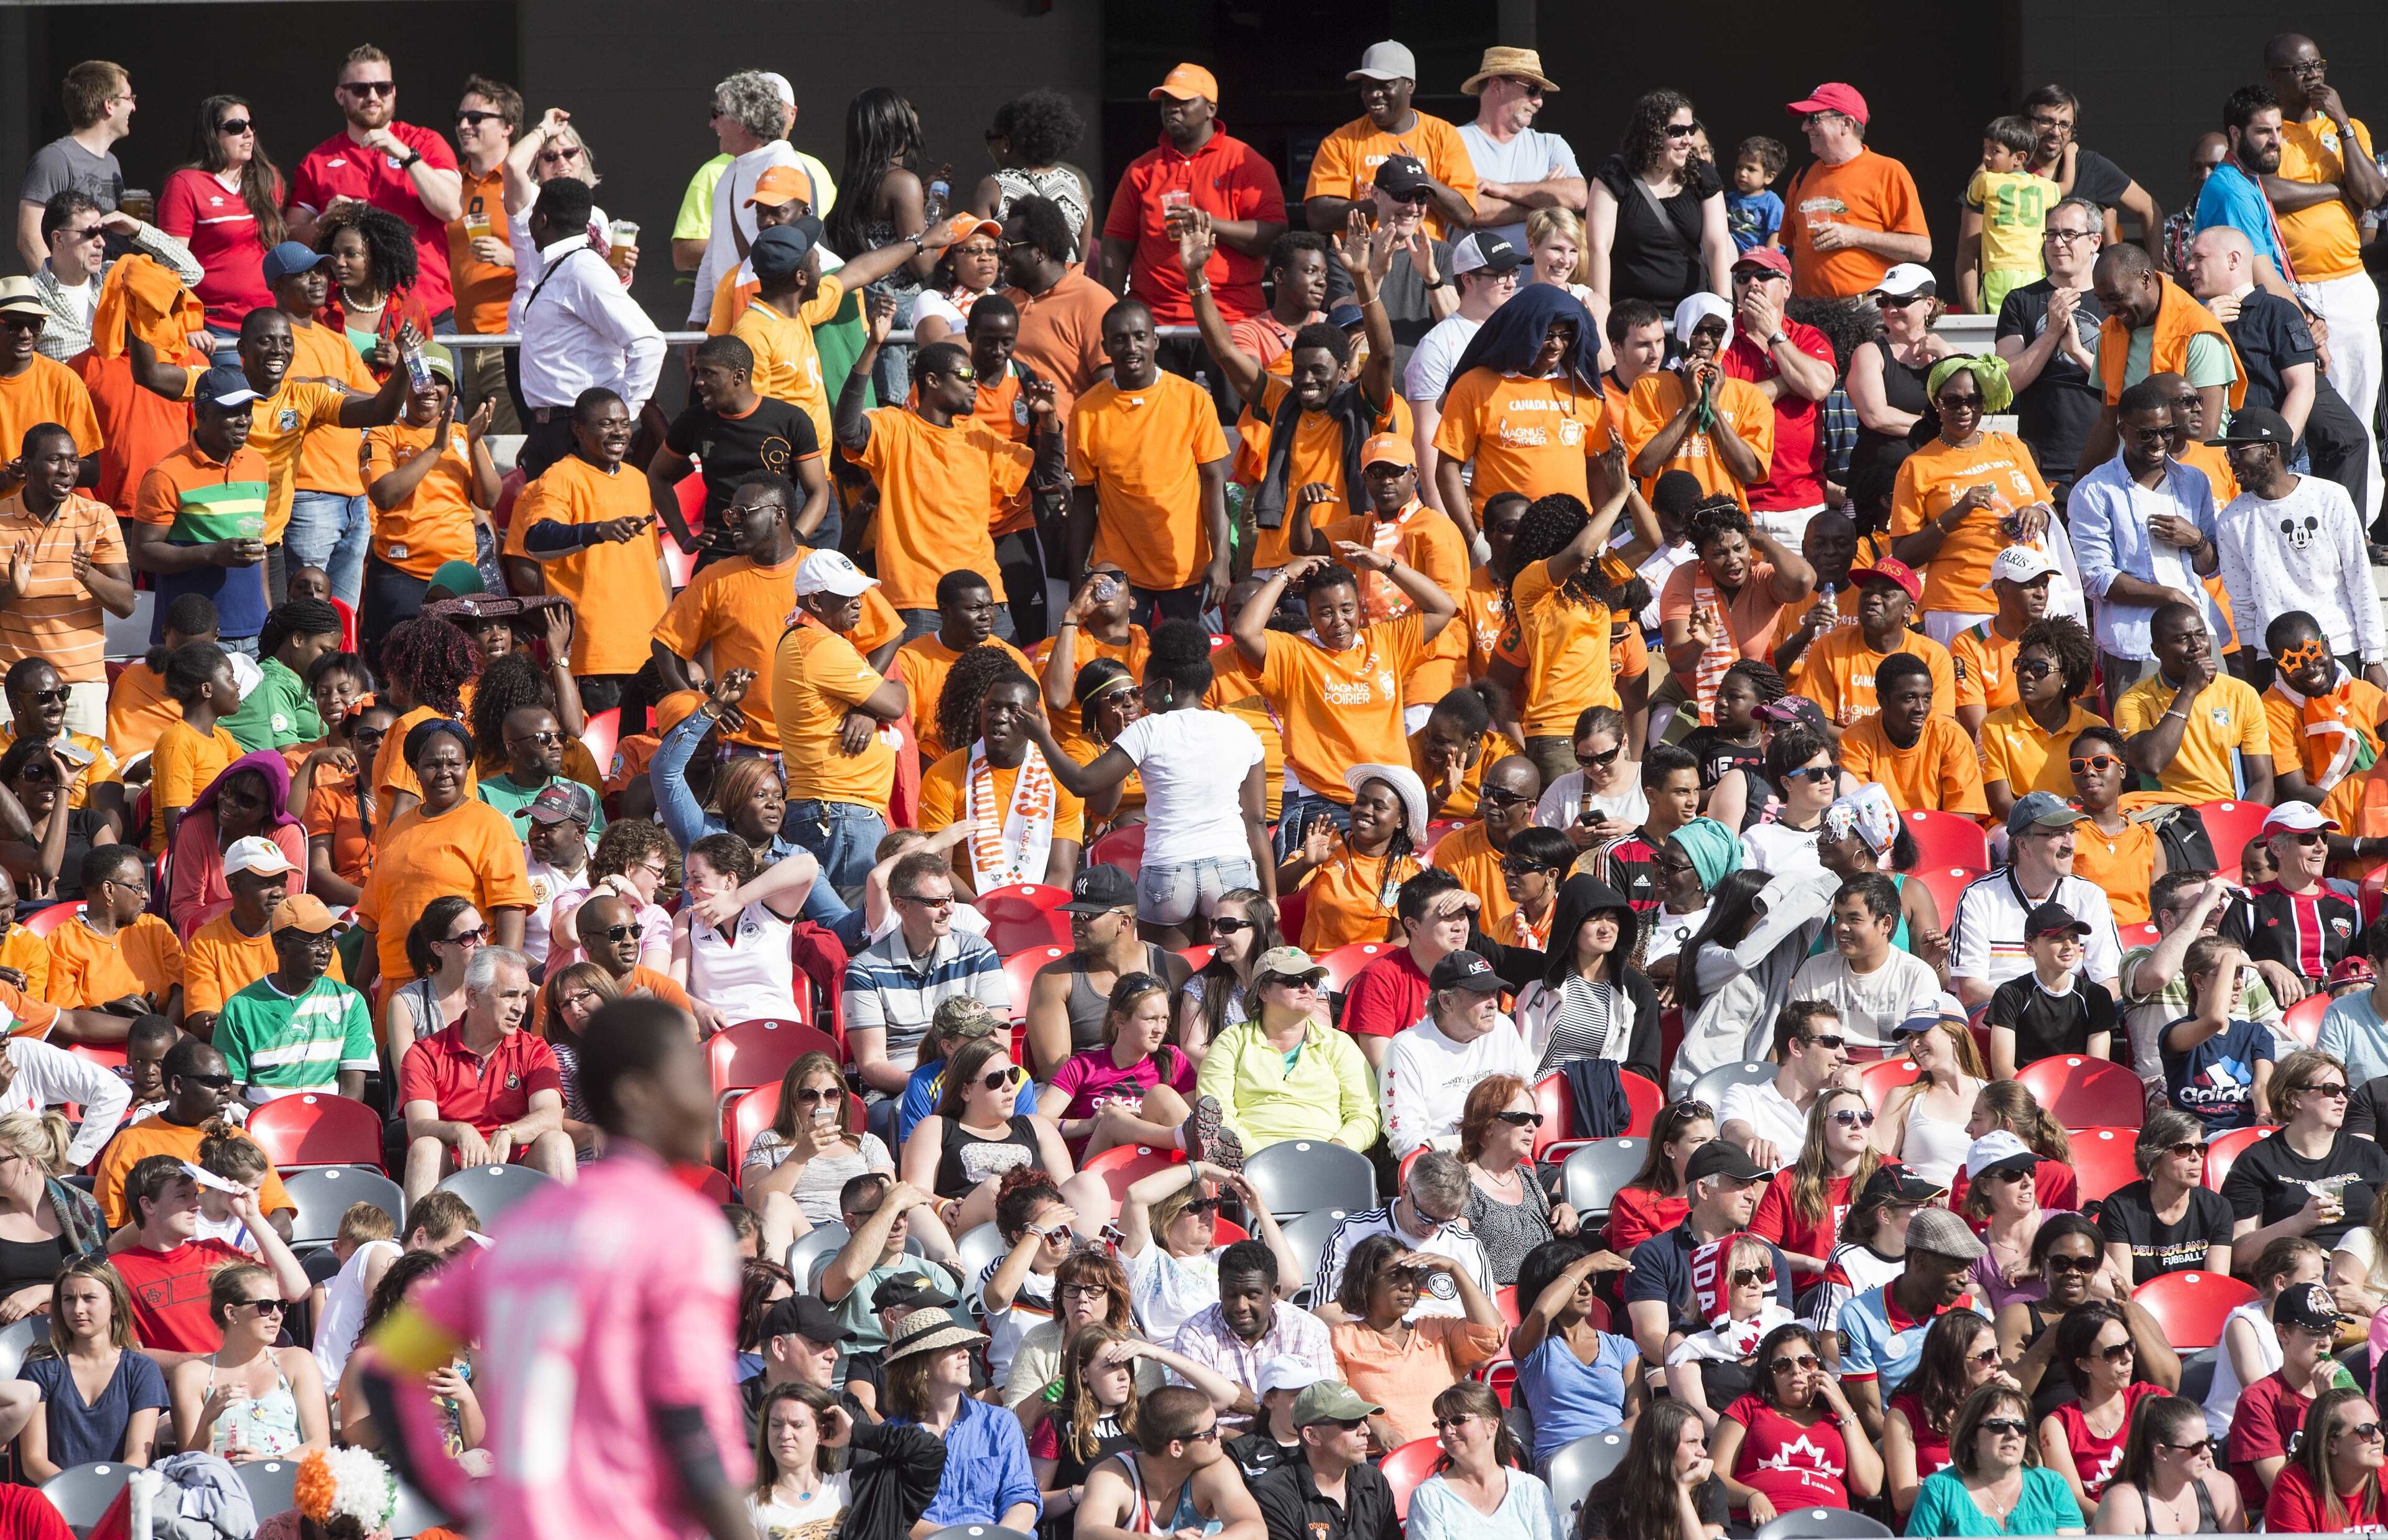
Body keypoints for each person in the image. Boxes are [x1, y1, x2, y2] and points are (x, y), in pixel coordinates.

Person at [2261, 35, 2386, 527]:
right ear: (2274, 76)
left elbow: (2373, 192)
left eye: (2317, 65)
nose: (2312, 76)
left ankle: (2358, 522)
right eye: (2298, 69)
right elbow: (2268, 189)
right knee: (2308, 409)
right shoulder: (2270, 131)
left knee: (2357, 411)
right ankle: (2310, 518)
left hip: (2349, 285)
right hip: (2297, 289)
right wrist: (2336, 191)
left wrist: (2343, 125)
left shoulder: (2347, 128)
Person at [1097, 64, 1287, 333]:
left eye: (1183, 101)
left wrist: (1206, 223)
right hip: (1153, 322)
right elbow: (1115, 246)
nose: (1172, 108)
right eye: (1167, 101)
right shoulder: (1142, 169)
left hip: (1232, 319)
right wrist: (1113, 313)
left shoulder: (1246, 163)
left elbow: (1273, 237)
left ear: (1211, 109)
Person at [284, 45, 461, 321]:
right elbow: (291, 238)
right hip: (347, 316)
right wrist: (324, 222)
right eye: (361, 89)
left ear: (394, 91)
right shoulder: (317, 161)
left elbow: (450, 209)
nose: (373, 97)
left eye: (382, 87)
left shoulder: (425, 142)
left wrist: (406, 156)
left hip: (425, 309)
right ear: (340, 95)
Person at [2211, 408, 2384, 686]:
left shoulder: (2331, 498)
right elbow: (2243, 608)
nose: (2231, 462)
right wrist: (2253, 681)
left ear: (2270, 450)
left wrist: (2374, 659)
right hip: (2274, 661)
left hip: (2337, 652)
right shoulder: (2231, 521)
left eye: (2238, 451)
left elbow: (2360, 581)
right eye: (2228, 452)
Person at [396, 945, 574, 1204]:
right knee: (426, 1147)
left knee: (556, 1141)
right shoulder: (425, 1053)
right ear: (473, 997)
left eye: (524, 996)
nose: (521, 1008)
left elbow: (550, 1117)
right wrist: (460, 1131)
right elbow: (418, 1125)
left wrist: (509, 1133)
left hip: (519, 1174)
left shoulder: (535, 1050)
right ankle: (418, 1242)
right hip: (453, 1179)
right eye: (509, 996)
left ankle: (571, 1240)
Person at [109, 1153, 307, 1368]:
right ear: (148, 1205)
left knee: (300, 1361)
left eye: (195, 1195)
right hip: (174, 1395)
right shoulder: (116, 1271)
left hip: (240, 1386)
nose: (196, 1206)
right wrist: (205, 1365)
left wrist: (251, 1217)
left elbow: (296, 1290)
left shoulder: (217, 1252)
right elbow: (125, 1354)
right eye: (182, 1197)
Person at [1949, 793, 2123, 1008]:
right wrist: (2037, 1009)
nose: (2070, 844)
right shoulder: (1980, 896)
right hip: (2002, 1016)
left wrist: (2066, 1010)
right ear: (2023, 845)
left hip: (2072, 1015)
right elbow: (1971, 990)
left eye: (2072, 831)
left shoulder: (2090, 895)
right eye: (2058, 834)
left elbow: (2111, 981)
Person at [2223, 1048, 2388, 1271]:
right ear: (2294, 1098)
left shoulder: (2368, 1154)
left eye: (2345, 1091)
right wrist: (2300, 1221)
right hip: (2298, 1279)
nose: (2342, 1099)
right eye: (2330, 1090)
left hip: (2368, 1274)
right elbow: (2240, 1255)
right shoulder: (2258, 1161)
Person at [1835, 1208, 1992, 1440]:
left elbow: (1985, 1392)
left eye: (1968, 1267)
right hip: (1896, 1442)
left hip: (1964, 1442)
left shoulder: (1969, 1309)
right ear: (1919, 1260)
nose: (1965, 1278)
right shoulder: (1858, 1315)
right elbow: (1869, 1412)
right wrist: (1909, 1456)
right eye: (1956, 1266)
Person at [1657, 500, 1813, 729]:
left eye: (1739, 548)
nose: (1732, 559)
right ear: (1703, 559)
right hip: (1688, 703)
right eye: (1720, 553)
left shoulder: (1762, 576)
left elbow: (1802, 582)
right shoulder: (1685, 578)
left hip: (1751, 706)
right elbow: (1680, 662)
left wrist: (1765, 541)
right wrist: (1700, 644)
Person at [1997, 197, 2109, 512]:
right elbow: (2007, 382)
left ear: (2094, 242)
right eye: (2051, 234)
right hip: (2042, 460)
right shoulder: (2021, 301)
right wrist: (2050, 333)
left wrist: (2076, 351)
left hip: (2109, 455)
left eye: (2069, 235)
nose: (2058, 243)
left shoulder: (2114, 299)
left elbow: (2130, 383)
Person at [1710, 1321, 1881, 1522]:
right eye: (1783, 1365)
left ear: (1819, 1367)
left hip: (1831, 1529)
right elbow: (1714, 1478)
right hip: (1759, 1526)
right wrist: (1751, 1496)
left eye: (1806, 1362)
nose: (1796, 1370)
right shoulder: (1749, 1407)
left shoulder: (1838, 1418)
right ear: (1768, 1374)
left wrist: (1844, 1408)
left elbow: (1870, 1484)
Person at [14, 1256, 165, 1482]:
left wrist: (104, 1494)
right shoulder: (40, 1367)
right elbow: (34, 1461)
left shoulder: (142, 1370)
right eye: (68, 1299)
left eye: (89, 1298)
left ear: (115, 1305)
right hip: (56, 1497)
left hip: (120, 1494)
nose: (78, 1309)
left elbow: (138, 1457)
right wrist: (79, 1493)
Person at [2113, 600, 2274, 806]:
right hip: (2168, 815)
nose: (2197, 646)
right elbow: (2151, 763)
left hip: (2226, 812)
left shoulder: (2242, 694)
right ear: (2157, 650)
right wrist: (2189, 691)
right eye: (2183, 639)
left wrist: (2246, 824)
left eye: (2201, 635)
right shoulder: (2134, 701)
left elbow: (2262, 781)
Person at [1777, 84, 1930, 300]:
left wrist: (1855, 235)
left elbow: (1921, 249)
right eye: (1805, 120)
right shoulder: (1802, 177)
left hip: (1865, 310)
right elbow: (1797, 250)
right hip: (1810, 315)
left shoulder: (1888, 172)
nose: (1805, 127)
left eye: (1813, 119)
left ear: (1846, 124)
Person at [165, 1260, 328, 1462]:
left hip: (289, 1483)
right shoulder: (193, 1375)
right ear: (232, 1313)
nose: (277, 1316)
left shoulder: (297, 1361)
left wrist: (269, 1463)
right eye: (266, 1306)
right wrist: (208, 1418)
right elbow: (191, 1461)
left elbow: (320, 1445)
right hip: (223, 1487)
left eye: (281, 1305)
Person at [1586, 90, 1730, 315]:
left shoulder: (1703, 175)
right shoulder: (1615, 174)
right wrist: (1603, 312)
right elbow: (1599, 248)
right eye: (1677, 131)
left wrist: (1724, 307)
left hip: (1691, 315)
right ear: (1651, 134)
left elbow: (1716, 246)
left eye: (1690, 130)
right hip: (1631, 318)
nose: (1688, 140)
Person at [1621, 297, 1774, 510]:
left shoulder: (1749, 395)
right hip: (1667, 526)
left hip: (1725, 526)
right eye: (1696, 330)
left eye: (1716, 331)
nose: (1705, 340)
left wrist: (1713, 406)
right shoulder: (1648, 387)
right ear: (1680, 334)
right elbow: (1645, 465)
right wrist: (1691, 406)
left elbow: (1749, 472)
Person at [1509, 874, 1661, 1080]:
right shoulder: (1542, 972)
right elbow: (1482, 950)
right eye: (1595, 919)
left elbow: (1645, 1070)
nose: (1606, 928)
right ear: (1572, 924)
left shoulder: (1637, 990)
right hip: (1535, 1098)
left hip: (1598, 1104)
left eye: (1613, 917)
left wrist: (1597, 1090)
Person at [2222, 1278, 2353, 1513]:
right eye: (2314, 1333)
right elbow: (2283, 1489)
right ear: (2283, 1334)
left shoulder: (2345, 1390)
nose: (2325, 1342)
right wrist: (2326, 1411)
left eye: (2332, 1332)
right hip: (2279, 1520)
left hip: (2341, 1511)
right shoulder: (2259, 1400)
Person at [1907, 1381, 2089, 1536]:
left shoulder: (2052, 1486)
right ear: (1971, 1437)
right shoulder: (1940, 1490)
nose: (2012, 1434)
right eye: (1998, 1426)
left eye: (2020, 1426)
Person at [1982, 616, 2109, 823]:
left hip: (2083, 823)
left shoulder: (2094, 728)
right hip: (2018, 828)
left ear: (2065, 677)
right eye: (2022, 665)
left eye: (2039, 669)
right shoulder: (1995, 726)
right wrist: (2056, 811)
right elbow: (2003, 805)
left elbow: (2110, 799)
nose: (2026, 675)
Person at [15, 60, 134, 272]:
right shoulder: (55, 159)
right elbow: (29, 237)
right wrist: (59, 294)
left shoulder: (112, 162)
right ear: (109, 105)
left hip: (109, 290)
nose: (133, 107)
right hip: (74, 294)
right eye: (128, 98)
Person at [1248, 1379, 1403, 1540]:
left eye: (1365, 1419)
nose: (1366, 1430)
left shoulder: (1373, 1480)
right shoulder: (1273, 1496)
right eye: (1351, 1422)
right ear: (1312, 1435)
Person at [2098, 1111, 2234, 1287]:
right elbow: (2124, 1289)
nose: (2196, 1157)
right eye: (2183, 1149)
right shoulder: (2120, 1208)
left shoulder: (2218, 1208)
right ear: (2154, 1157)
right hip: (2141, 1307)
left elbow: (2216, 1285)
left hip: (2199, 1304)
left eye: (2200, 1148)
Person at [2090, 1391, 2244, 1534]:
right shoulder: (2123, 1504)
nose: (2208, 1454)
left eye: (2208, 1442)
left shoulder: (2222, 1487)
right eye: (2196, 1447)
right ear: (2161, 1452)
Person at [1575, 1397, 1728, 1540]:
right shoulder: (1609, 1494)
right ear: (1656, 1447)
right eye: (1691, 1442)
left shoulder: (1709, 1486)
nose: (1703, 1452)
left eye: (1702, 1442)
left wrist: (1681, 1492)